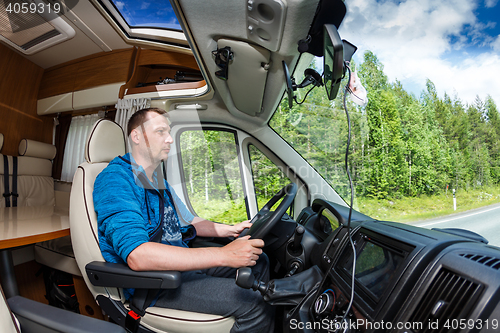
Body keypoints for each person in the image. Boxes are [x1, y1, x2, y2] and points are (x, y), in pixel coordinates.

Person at [93, 107, 274, 333]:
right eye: (160, 132)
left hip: (181, 267)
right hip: (156, 284)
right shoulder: (114, 180)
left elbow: (189, 221)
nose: (169, 139)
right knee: (254, 303)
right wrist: (224, 255)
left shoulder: (157, 180)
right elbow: (138, 256)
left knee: (260, 260)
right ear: (137, 136)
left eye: (169, 132)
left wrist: (230, 230)